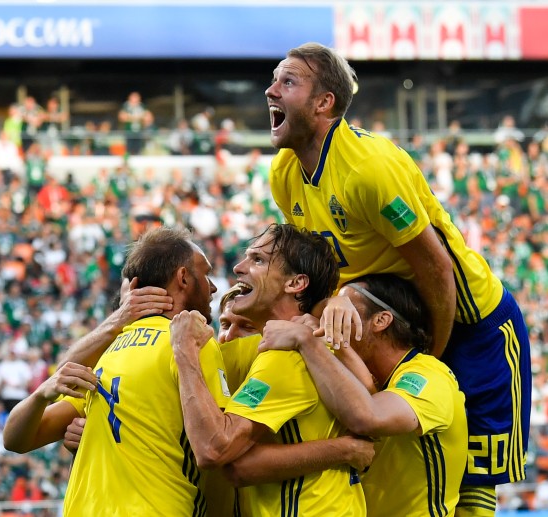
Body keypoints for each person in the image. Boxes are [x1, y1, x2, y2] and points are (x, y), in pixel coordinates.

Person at [266, 42, 531, 514]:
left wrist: (431, 356)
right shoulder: (284, 173)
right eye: (275, 79)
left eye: (288, 81)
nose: (270, 90)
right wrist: (338, 299)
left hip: (471, 323)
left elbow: (437, 269)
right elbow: (322, 268)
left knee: (472, 477)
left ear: (324, 102)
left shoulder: (370, 168)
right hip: (397, 320)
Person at [3, 226, 229, 516]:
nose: (212, 286)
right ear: (183, 277)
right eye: (205, 273)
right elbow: (218, 447)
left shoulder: (104, 354)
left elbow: (14, 440)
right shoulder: (194, 344)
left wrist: (40, 397)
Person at [170, 223, 366, 516]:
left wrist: (184, 351)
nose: (238, 267)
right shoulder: (287, 346)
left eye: (258, 260)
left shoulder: (287, 355)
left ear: (295, 284)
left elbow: (218, 451)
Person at [260, 274, 468, 516]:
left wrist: (308, 342)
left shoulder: (430, 376)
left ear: (381, 320)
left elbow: (369, 416)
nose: (329, 321)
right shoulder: (361, 378)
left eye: (344, 311)